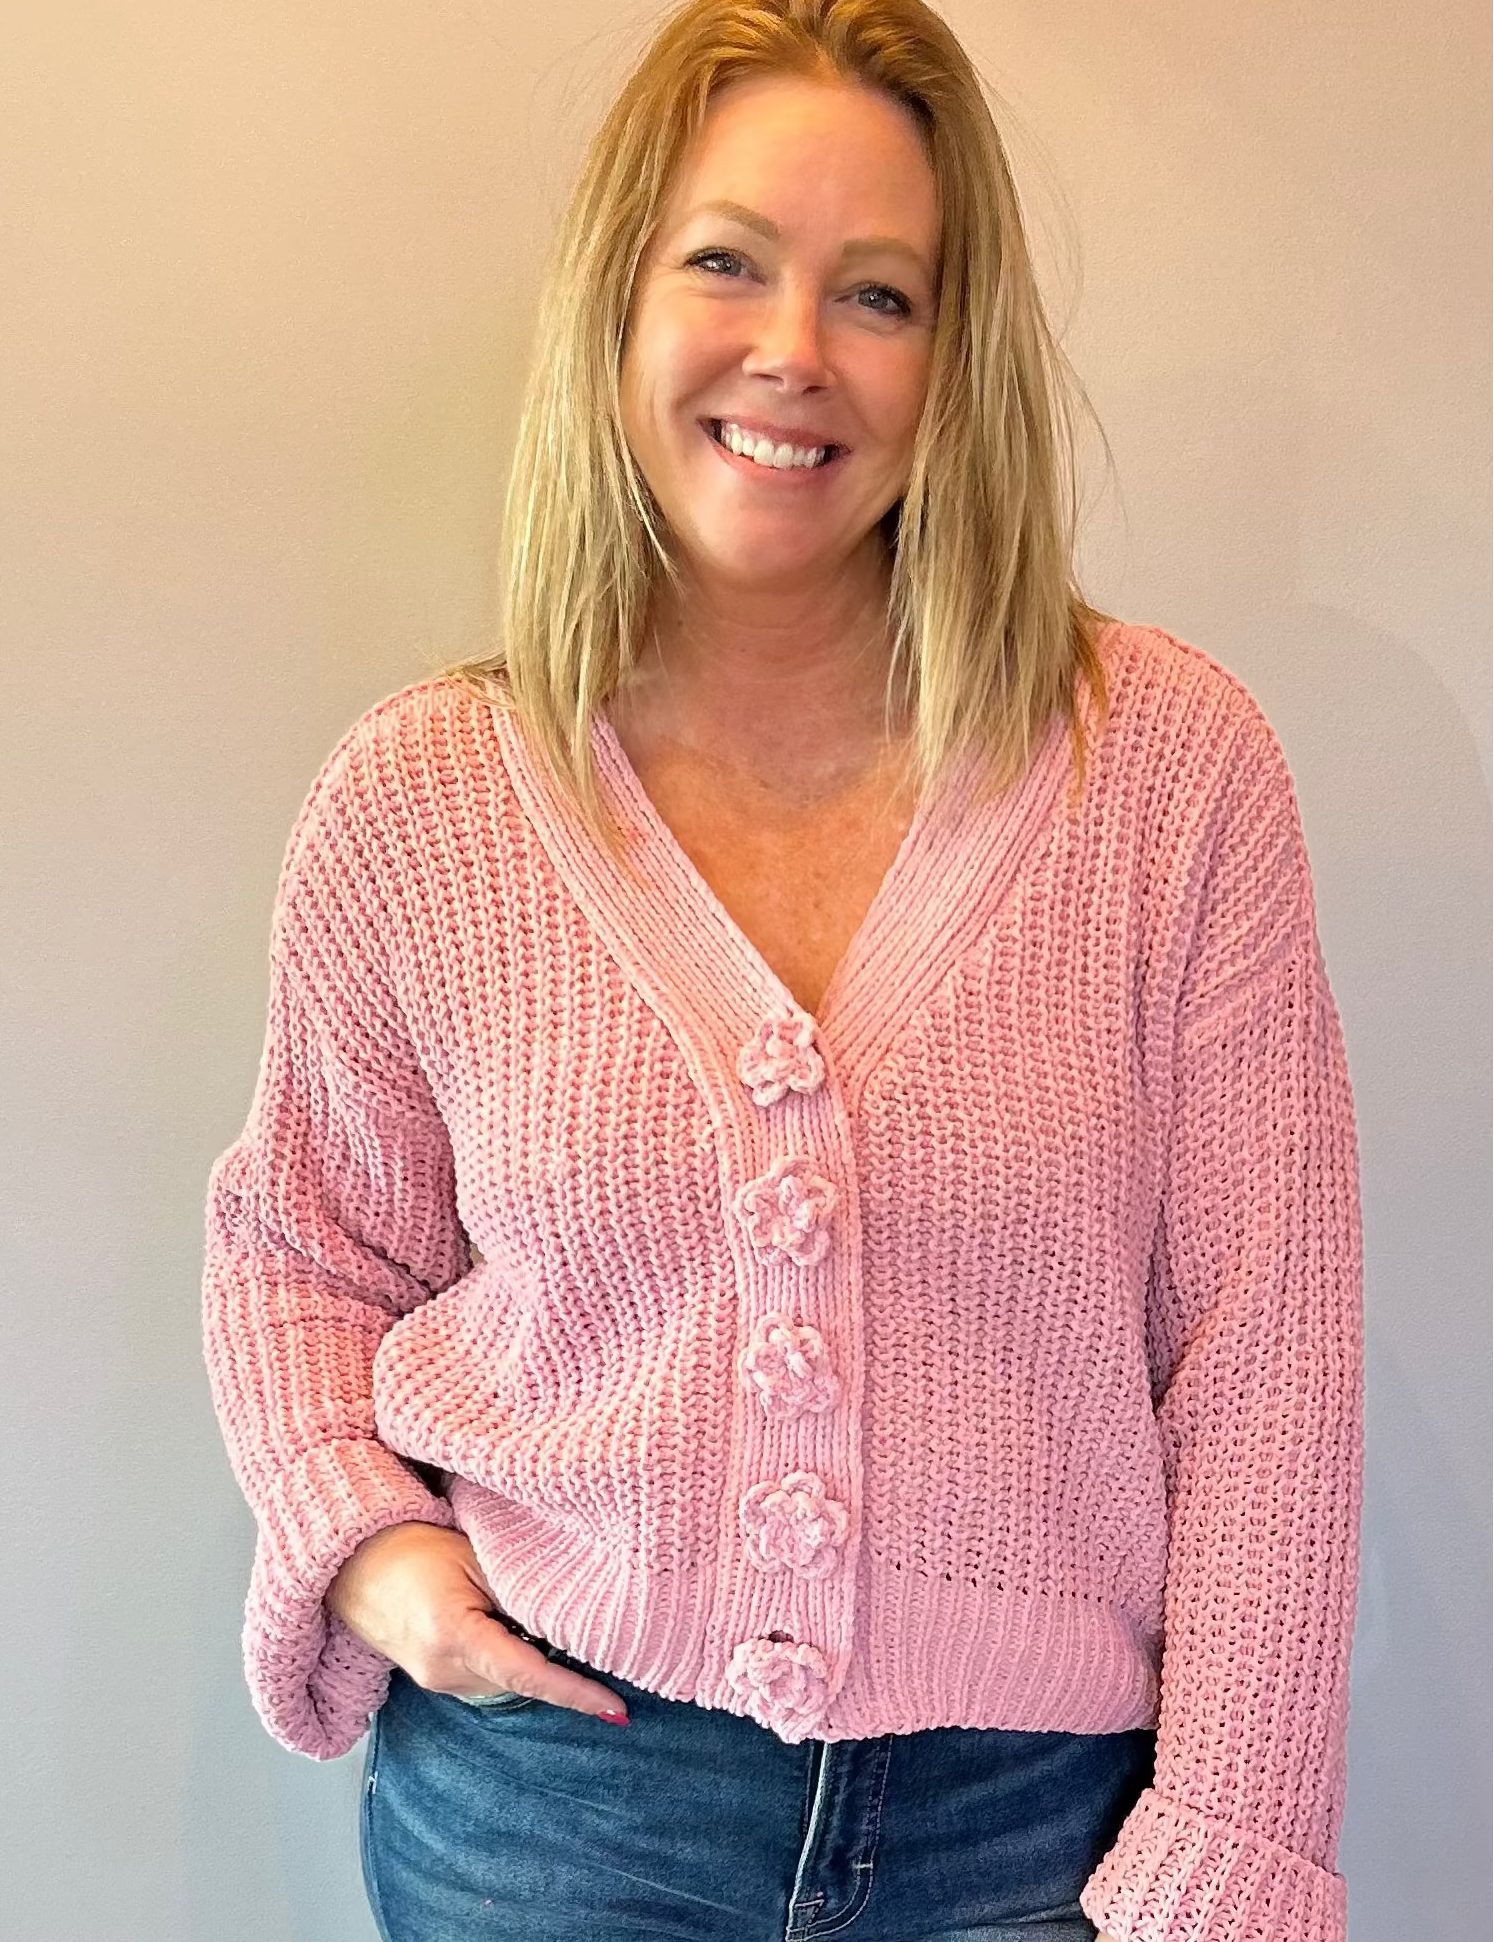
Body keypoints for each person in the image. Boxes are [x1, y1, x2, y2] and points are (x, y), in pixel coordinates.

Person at [201, 3, 1363, 1939]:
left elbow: (1263, 1355)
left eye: (882, 293)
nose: (794, 351)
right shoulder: (423, 803)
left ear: (955, 354)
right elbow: (304, 1252)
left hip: (1043, 1842)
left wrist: (1234, 1837)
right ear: (621, 305)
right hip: (549, 1815)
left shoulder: (1168, 774)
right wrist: (372, 1546)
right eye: (726, 260)